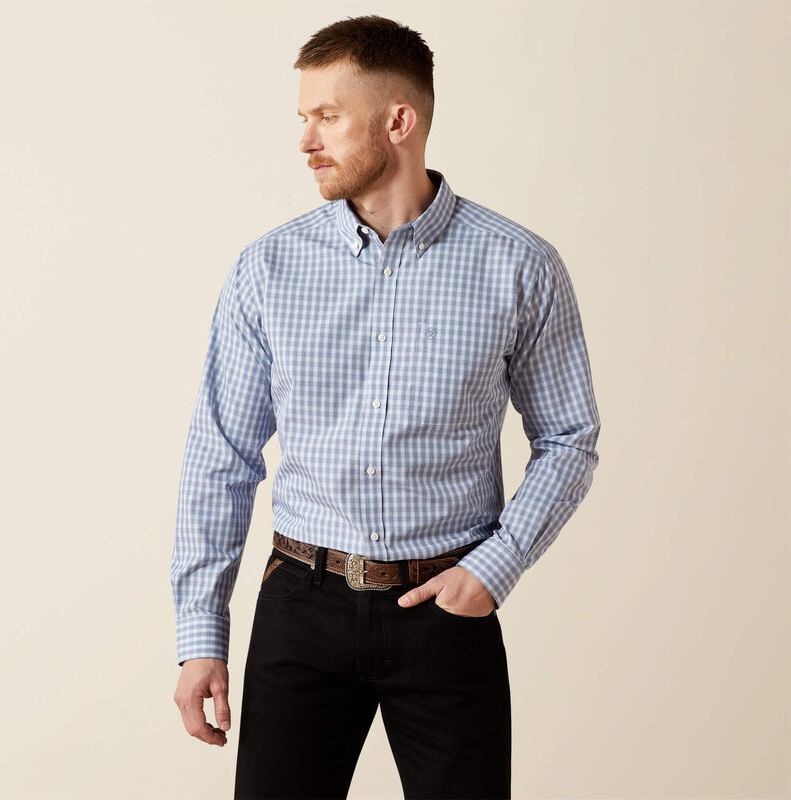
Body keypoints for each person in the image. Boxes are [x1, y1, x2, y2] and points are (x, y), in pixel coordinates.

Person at [170, 14, 601, 800]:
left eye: (327, 117)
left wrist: (494, 568)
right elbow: (220, 456)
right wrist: (201, 634)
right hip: (301, 607)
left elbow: (570, 438)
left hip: (447, 610)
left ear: (398, 121)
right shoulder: (269, 269)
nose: (306, 141)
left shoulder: (518, 266)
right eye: (303, 118)